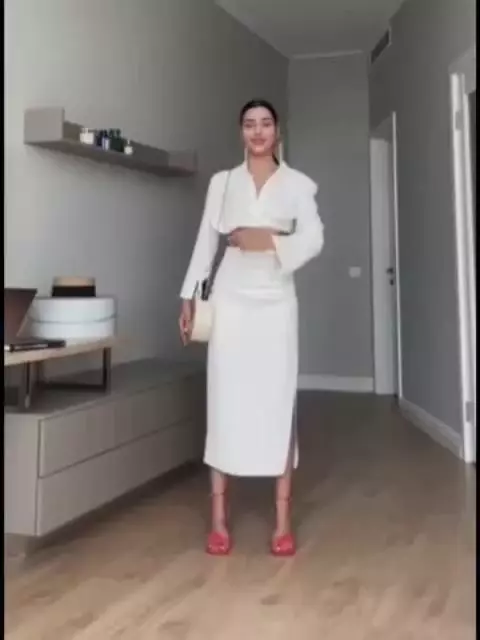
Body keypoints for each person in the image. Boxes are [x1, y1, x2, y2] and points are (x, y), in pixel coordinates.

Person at [178, 99, 325, 556]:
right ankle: (219, 521)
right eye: (249, 124)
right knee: (224, 400)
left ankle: (282, 523)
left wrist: (267, 239)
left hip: (277, 300)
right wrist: (188, 297)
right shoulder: (222, 183)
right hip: (231, 298)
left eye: (265, 124)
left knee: (278, 401)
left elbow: (314, 238)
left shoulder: (298, 184)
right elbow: (206, 242)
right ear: (240, 132)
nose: (257, 131)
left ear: (278, 131)